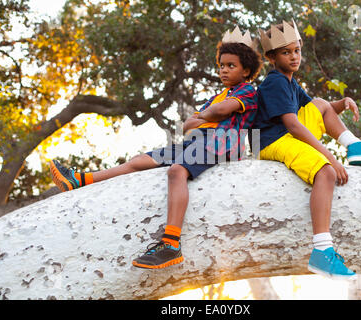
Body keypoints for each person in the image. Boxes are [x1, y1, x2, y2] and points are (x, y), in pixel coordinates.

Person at [49, 26, 262, 269]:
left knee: (176, 172)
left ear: (246, 70)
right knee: (139, 161)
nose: (224, 70)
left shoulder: (248, 90)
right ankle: (80, 180)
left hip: (221, 145)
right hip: (195, 142)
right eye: (222, 65)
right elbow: (188, 124)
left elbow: (220, 111)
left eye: (231, 66)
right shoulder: (219, 94)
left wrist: (207, 115)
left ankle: (171, 244)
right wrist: (208, 114)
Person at [254, 20, 361, 279]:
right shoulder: (275, 81)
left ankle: (355, 147)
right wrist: (329, 157)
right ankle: (321, 250)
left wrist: (341, 103)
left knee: (320, 102)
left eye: (297, 50)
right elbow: (293, 125)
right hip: (270, 141)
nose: (294, 56)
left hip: (286, 133)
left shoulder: (289, 81)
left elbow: (314, 109)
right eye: (286, 52)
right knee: (326, 173)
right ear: (271, 57)